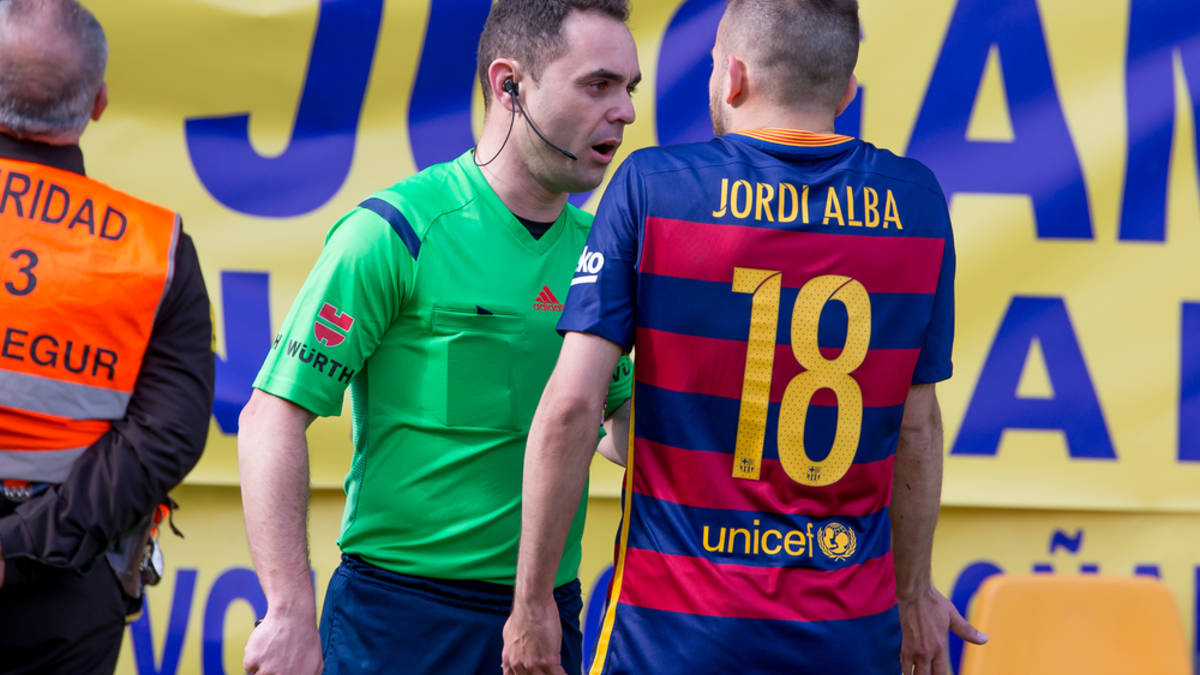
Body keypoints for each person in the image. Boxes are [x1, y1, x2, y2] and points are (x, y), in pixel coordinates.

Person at [501, 1, 992, 674]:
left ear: (731, 77)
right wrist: (912, 595)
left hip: (672, 639)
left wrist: (532, 604)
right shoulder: (916, 203)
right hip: (847, 637)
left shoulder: (653, 187)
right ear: (847, 91)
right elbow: (917, 428)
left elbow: (571, 408)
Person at [237, 1, 640, 673]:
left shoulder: (600, 252)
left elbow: (621, 430)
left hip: (544, 616)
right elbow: (270, 417)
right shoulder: (393, 231)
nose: (623, 111)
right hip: (398, 620)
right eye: (598, 84)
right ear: (509, 85)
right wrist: (287, 609)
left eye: (629, 88)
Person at [0, 1, 215, 673]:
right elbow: (166, 436)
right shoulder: (155, 252)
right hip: (63, 591)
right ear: (98, 103)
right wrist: (16, 549)